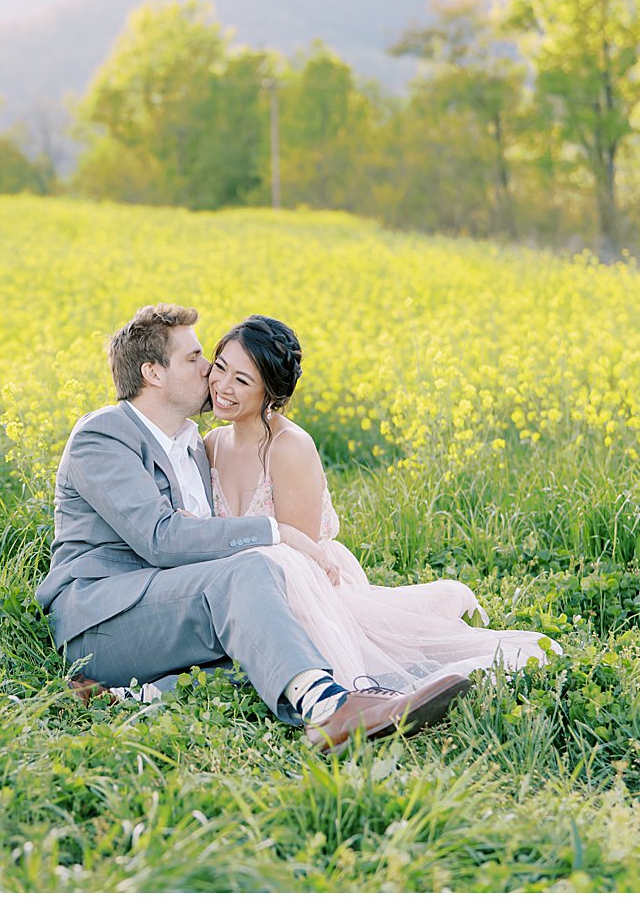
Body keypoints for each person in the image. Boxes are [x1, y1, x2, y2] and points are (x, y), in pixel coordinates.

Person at [37, 303, 471, 753]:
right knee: (251, 574)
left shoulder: (192, 446)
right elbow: (162, 539)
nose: (209, 372)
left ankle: (135, 695)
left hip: (173, 605)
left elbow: (196, 543)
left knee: (272, 630)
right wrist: (277, 532)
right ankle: (330, 710)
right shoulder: (104, 435)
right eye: (195, 358)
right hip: (105, 621)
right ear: (153, 373)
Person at [203, 314, 559, 692]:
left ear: (270, 394)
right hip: (248, 588)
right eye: (220, 367)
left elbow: (301, 562)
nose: (223, 386)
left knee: (376, 656)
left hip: (309, 587)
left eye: (242, 380)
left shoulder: (289, 447)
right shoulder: (212, 444)